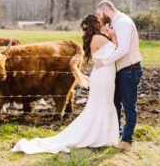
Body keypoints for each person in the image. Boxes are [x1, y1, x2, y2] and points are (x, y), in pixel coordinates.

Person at [10, 14, 119, 154]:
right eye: (99, 21)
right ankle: (97, 136)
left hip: (102, 75)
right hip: (104, 76)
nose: (102, 23)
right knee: (102, 105)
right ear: (96, 25)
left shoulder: (94, 38)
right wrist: (114, 35)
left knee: (100, 105)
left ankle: (100, 135)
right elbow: (118, 50)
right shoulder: (100, 38)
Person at [95, 0, 143, 150]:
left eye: (99, 14)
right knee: (115, 103)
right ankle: (117, 133)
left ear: (106, 10)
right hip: (121, 70)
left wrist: (104, 62)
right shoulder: (116, 23)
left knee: (129, 106)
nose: (99, 18)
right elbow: (116, 44)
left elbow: (123, 50)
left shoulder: (122, 22)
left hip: (129, 68)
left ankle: (127, 140)